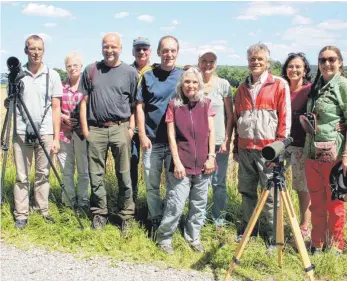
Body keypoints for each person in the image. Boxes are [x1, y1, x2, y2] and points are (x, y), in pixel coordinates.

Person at [233, 43, 291, 247]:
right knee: (246, 191)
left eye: (259, 59)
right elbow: (237, 119)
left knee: (271, 196)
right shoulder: (241, 88)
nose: (255, 62)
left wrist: (279, 148)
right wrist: (235, 148)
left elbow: (285, 118)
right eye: (252, 59)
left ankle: (273, 236)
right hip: (246, 149)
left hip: (269, 151)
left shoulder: (279, 84)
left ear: (267, 62)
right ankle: (249, 230)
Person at [79, 32, 138, 230]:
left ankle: (126, 216)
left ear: (120, 48)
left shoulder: (130, 73)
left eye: (113, 46)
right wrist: (86, 130)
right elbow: (84, 102)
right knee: (96, 175)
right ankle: (99, 213)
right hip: (95, 130)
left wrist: (130, 128)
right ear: (101, 47)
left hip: (120, 128)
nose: (109, 50)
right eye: (106, 46)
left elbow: (134, 105)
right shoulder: (91, 70)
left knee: (124, 175)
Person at [156, 67, 216, 254]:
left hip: (204, 165)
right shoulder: (174, 105)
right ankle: (164, 238)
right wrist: (177, 162)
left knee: (199, 205)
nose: (190, 85)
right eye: (187, 81)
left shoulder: (206, 103)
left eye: (194, 82)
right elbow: (171, 136)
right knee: (176, 204)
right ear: (181, 84)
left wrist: (211, 157)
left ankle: (193, 237)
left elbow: (211, 132)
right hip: (182, 164)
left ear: (199, 84)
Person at [5, 34, 62, 229]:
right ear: (25, 51)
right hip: (21, 132)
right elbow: (9, 103)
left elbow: (56, 108)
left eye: (39, 49)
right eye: (32, 48)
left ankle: (42, 210)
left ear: (43, 51)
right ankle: (21, 214)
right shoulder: (17, 76)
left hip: (45, 133)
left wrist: (55, 137)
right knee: (21, 175)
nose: (36, 52)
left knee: (43, 174)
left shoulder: (52, 75)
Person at [136, 36, 183, 230]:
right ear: (158, 52)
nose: (169, 54)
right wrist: (142, 134)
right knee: (152, 184)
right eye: (165, 50)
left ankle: (171, 221)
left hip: (176, 143)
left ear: (177, 53)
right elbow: (139, 106)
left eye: (172, 50)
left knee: (175, 185)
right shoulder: (148, 75)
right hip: (152, 140)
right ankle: (154, 218)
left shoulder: (183, 75)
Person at [303, 45, 346, 255]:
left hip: (334, 155)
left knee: (335, 203)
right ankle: (317, 244)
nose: (326, 64)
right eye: (322, 60)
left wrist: (346, 154)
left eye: (331, 59)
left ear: (340, 62)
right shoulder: (316, 86)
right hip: (312, 154)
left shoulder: (343, 85)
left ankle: (336, 247)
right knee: (316, 202)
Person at [198, 49, 233, 229]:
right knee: (200, 183)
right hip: (198, 142)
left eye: (211, 61)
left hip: (219, 141)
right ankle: (199, 219)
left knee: (218, 183)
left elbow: (230, 115)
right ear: (199, 62)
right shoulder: (194, 83)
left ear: (216, 64)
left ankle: (219, 219)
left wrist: (228, 139)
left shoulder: (223, 84)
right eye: (204, 61)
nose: (208, 64)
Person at [280, 53, 312, 240]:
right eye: (291, 66)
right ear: (286, 69)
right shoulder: (281, 88)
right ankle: (276, 223)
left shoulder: (309, 90)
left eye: (298, 66)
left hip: (301, 145)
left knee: (302, 186)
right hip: (281, 143)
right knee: (273, 182)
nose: (294, 69)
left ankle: (304, 226)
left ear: (305, 70)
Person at [56, 52, 89, 211]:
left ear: (81, 66)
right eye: (69, 65)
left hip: (83, 134)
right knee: (66, 171)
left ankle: (83, 202)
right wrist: (64, 118)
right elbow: (53, 108)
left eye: (75, 65)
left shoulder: (88, 86)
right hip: (64, 134)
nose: (72, 68)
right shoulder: (60, 87)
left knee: (84, 171)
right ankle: (68, 202)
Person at [130, 37, 152, 202]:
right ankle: (132, 201)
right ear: (133, 52)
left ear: (150, 51)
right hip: (130, 126)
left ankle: (151, 203)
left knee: (151, 169)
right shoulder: (126, 71)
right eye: (138, 49)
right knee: (131, 165)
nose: (141, 52)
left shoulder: (155, 71)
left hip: (149, 127)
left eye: (145, 49)